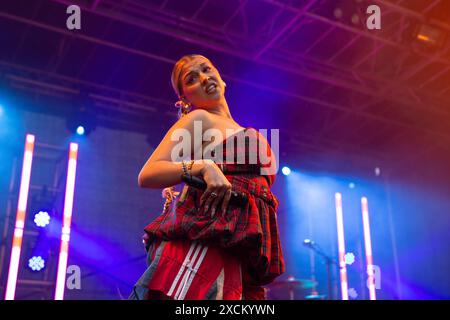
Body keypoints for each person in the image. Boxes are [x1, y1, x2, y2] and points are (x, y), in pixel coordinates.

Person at [129, 54, 284, 300]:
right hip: (206, 243)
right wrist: (203, 166)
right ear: (185, 98)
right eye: (191, 79)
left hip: (242, 250)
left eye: (206, 69)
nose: (203, 78)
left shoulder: (252, 131)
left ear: (222, 79)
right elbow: (148, 174)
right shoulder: (200, 120)